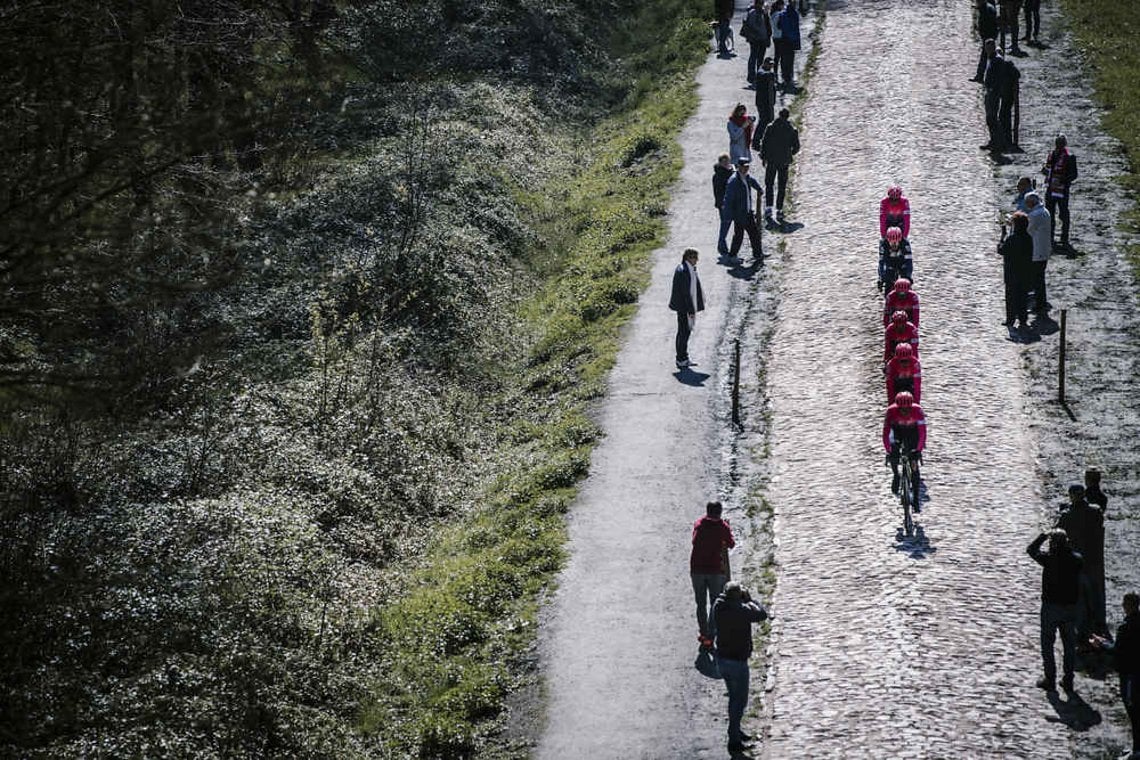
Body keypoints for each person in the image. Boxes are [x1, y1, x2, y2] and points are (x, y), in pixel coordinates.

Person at [710, 581, 769, 753]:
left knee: (733, 698)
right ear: (737, 597)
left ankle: (735, 730)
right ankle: (734, 739)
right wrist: (750, 599)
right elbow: (762, 614)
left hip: (723, 659)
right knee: (739, 700)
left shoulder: (718, 606)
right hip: (738, 662)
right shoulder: (742, 610)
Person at [1028, 529, 1083, 693]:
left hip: (1051, 607)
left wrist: (1043, 536)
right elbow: (1076, 556)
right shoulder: (1076, 560)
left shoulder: (1048, 559)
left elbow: (1031, 550)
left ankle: (1049, 678)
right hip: (1070, 608)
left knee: (1047, 644)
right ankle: (1068, 680)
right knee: (1069, 646)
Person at [1090, 592, 1140, 760]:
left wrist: (1101, 643)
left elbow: (1117, 650)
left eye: (1124, 603)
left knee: (1133, 711)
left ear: (1128, 606)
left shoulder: (1125, 627)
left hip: (1130, 674)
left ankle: (1137, 751)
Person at [1058, 483, 1107, 640]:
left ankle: (1082, 631)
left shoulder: (1067, 515)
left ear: (1071, 495)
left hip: (1076, 563)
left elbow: (1057, 531)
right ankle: (1099, 624)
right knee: (1096, 594)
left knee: (1079, 597)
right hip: (1094, 561)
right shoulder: (1095, 512)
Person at [691, 501, 736, 649]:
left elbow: (694, 540)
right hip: (715, 570)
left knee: (701, 603)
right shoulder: (722, 527)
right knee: (715, 603)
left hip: (697, 570)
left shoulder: (699, 524)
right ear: (720, 512)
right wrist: (726, 527)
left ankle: (703, 633)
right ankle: (711, 635)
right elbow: (731, 544)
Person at [760, 108, 800, 226]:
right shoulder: (791, 129)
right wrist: (789, 154)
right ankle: (779, 210)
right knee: (782, 186)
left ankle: (768, 208)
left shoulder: (771, 127)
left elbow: (764, 142)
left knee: (769, 184)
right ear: (787, 116)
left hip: (771, 160)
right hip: (784, 162)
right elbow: (796, 147)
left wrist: (764, 157)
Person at [882, 390, 926, 495]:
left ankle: (915, 483)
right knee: (894, 453)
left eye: (908, 408)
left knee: (913, 459)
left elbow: (922, 433)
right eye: (902, 409)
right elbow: (886, 433)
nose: (905, 411)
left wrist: (918, 450)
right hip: (897, 430)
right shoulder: (891, 411)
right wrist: (888, 450)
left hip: (912, 431)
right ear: (897, 407)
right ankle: (896, 474)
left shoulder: (918, 411)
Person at [722, 157, 764, 264]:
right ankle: (735, 255)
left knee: (750, 234)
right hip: (740, 214)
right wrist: (728, 215)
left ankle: (756, 254)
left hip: (747, 211)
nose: (746, 169)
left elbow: (752, 181)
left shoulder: (745, 176)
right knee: (743, 235)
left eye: (747, 167)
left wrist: (759, 188)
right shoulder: (733, 181)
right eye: (744, 167)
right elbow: (728, 199)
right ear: (739, 167)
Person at [669, 248, 705, 369]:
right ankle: (681, 358)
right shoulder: (685, 271)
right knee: (684, 333)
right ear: (689, 258)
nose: (697, 260)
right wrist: (691, 310)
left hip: (682, 307)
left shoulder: (684, 268)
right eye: (695, 258)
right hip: (684, 308)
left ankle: (682, 357)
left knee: (683, 332)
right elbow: (686, 293)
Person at [998, 210, 1034, 330]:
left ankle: (1010, 319)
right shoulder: (1029, 238)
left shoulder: (1012, 238)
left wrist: (1002, 237)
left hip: (1011, 273)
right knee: (1023, 297)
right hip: (1025, 272)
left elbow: (1001, 250)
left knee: (1011, 297)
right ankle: (1023, 319)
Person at [1041, 134, 1078, 251]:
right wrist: (1045, 171)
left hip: (1062, 190)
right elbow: (1048, 168)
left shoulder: (1070, 157)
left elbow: (1074, 175)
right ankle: (1050, 236)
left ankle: (1064, 237)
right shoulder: (1051, 155)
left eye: (1061, 143)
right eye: (1057, 143)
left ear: (1064, 144)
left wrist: (1064, 179)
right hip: (1051, 189)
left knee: (1063, 214)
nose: (1059, 145)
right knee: (1049, 214)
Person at [1025, 192, 1052, 313]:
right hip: (1044, 249)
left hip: (1038, 250)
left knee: (1037, 279)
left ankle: (1039, 304)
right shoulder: (1044, 211)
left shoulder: (1035, 215)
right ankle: (1041, 301)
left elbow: (1028, 231)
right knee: (1040, 277)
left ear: (1031, 202)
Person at [981, 42, 1008, 152]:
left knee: (992, 118)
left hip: (994, 93)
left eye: (988, 48)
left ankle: (998, 142)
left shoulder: (997, 60)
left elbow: (999, 77)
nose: (986, 50)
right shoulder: (991, 58)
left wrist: (993, 88)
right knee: (989, 118)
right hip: (990, 92)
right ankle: (993, 141)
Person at [741, 0, 771, 86]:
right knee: (753, 57)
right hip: (755, 40)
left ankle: (759, 76)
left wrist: (767, 37)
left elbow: (767, 25)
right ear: (756, 3)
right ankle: (751, 77)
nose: (761, 5)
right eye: (760, 3)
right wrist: (756, 35)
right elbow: (751, 27)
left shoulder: (764, 13)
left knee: (760, 58)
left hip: (763, 39)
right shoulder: (752, 13)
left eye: (762, 3)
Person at [775, 0, 801, 93]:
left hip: (784, 40)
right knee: (790, 60)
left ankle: (785, 78)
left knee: (784, 60)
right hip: (792, 41)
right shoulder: (795, 14)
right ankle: (789, 78)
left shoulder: (782, 14)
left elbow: (779, 26)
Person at [753, 57, 778, 150]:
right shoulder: (761, 72)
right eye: (769, 64)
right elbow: (763, 75)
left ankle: (765, 141)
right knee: (763, 121)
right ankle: (756, 141)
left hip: (768, 102)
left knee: (768, 121)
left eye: (772, 65)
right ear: (765, 63)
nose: (771, 66)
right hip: (762, 102)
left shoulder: (769, 74)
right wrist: (771, 74)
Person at [878, 226, 913, 291]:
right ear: (888, 240)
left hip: (902, 261)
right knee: (888, 280)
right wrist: (881, 278)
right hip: (890, 261)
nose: (894, 245)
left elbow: (909, 262)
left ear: (900, 240)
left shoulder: (905, 243)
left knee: (906, 282)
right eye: (891, 242)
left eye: (896, 243)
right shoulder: (883, 244)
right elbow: (881, 262)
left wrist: (908, 277)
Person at [972, 3, 1000, 82]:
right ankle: (982, 75)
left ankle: (981, 76)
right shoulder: (986, 8)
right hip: (989, 35)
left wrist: (985, 37)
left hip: (988, 35)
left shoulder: (987, 10)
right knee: (986, 56)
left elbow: (988, 24)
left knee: (986, 56)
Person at [713, 153, 734, 254]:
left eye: (727, 161)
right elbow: (718, 192)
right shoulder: (718, 175)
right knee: (725, 224)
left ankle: (722, 245)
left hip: (731, 203)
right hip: (723, 204)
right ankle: (721, 245)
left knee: (727, 223)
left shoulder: (730, 172)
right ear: (720, 162)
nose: (726, 163)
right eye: (724, 162)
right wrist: (722, 203)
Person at [769, 0, 786, 89]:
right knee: (781, 57)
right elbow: (780, 26)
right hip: (780, 37)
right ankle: (781, 74)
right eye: (782, 5)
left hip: (775, 36)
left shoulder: (772, 14)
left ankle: (775, 74)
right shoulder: (779, 15)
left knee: (776, 56)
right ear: (779, 5)